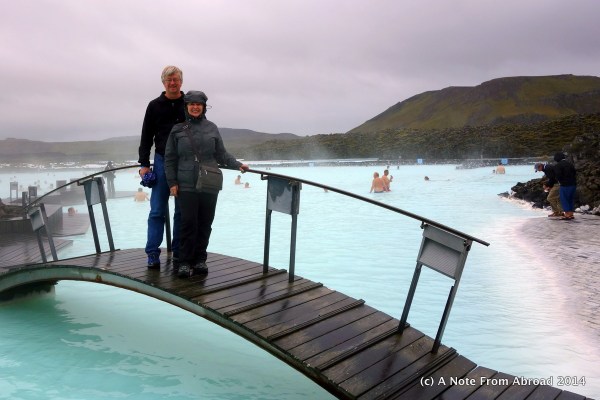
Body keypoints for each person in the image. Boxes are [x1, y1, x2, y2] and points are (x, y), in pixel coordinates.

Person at [165, 90, 248, 278]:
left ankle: (200, 259)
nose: (195, 107)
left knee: (205, 223)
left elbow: (221, 154)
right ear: (186, 107)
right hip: (186, 182)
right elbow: (170, 159)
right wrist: (172, 183)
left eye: (198, 104)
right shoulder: (178, 129)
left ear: (203, 107)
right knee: (187, 223)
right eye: (191, 104)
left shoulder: (212, 127)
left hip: (209, 181)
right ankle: (184, 261)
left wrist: (237, 164)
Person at [137, 65, 185, 269]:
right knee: (157, 210)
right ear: (163, 82)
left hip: (185, 162)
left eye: (176, 79)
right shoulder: (154, 105)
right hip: (162, 160)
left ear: (181, 81)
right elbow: (146, 135)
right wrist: (144, 165)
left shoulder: (189, 103)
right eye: (169, 80)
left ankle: (178, 252)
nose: (173, 83)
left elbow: (202, 132)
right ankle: (152, 253)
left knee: (181, 211)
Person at [553, 152, 577, 220]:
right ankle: (571, 214)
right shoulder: (570, 164)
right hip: (573, 184)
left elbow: (558, 176)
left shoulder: (558, 165)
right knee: (570, 199)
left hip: (565, 185)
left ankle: (567, 214)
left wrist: (560, 182)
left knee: (564, 199)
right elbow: (575, 173)